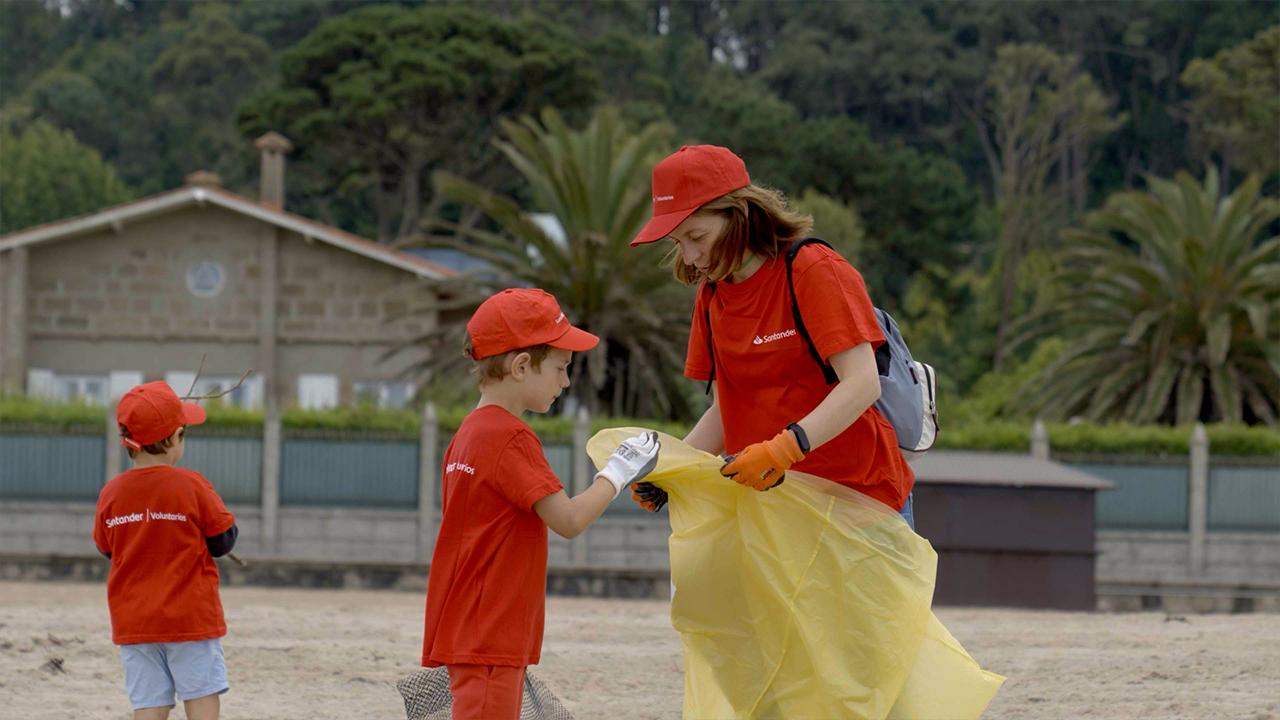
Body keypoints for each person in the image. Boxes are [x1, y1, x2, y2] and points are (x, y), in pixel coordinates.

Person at [628, 144, 914, 523]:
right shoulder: (712, 295)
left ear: (740, 214)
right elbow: (724, 409)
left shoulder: (813, 269)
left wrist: (784, 449)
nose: (691, 257)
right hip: (775, 513)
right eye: (678, 243)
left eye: (697, 236)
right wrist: (673, 472)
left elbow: (862, 384)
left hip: (858, 506)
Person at [420, 288, 661, 720]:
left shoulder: (467, 434)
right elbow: (569, 520)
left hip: (474, 632)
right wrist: (619, 471)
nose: (566, 382)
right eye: (561, 368)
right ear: (521, 366)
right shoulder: (509, 436)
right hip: (491, 637)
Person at [93, 381, 239, 720]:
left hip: (135, 621)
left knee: (148, 703)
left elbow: (106, 548)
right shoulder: (192, 485)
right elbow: (223, 540)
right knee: (201, 692)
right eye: (183, 435)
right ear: (173, 439)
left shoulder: (111, 493)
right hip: (189, 618)